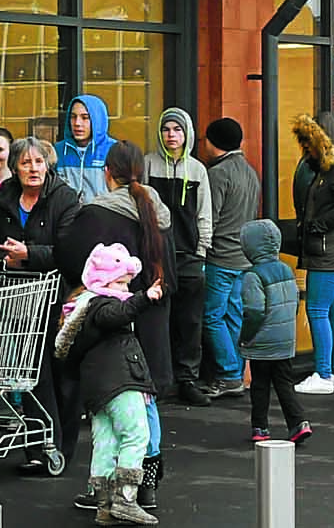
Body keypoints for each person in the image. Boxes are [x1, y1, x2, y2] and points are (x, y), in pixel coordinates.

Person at [56, 141, 174, 510]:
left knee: (107, 412)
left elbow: (69, 259)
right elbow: (172, 273)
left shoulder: (96, 213)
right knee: (145, 403)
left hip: (111, 327)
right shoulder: (159, 211)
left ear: (107, 173)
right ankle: (146, 486)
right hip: (152, 320)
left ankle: (103, 487)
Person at [0, 137, 82, 476]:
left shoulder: (64, 198)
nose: (32, 169)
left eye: (38, 162)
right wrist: (7, 261)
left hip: (56, 296)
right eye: (25, 163)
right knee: (30, 373)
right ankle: (38, 447)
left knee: (59, 372)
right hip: (15, 297)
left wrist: (30, 255)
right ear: (15, 168)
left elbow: (70, 250)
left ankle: (61, 446)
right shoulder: (4, 196)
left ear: (47, 166)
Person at [54, 243, 163, 526]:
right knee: (136, 434)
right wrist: (144, 297)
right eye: (121, 283)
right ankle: (126, 498)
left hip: (97, 387)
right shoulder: (103, 304)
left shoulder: (82, 308)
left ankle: (103, 502)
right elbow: (115, 314)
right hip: (120, 382)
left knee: (105, 441)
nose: (125, 290)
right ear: (103, 281)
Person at [145, 107, 215, 406]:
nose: (171, 135)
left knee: (189, 321)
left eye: (177, 130)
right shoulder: (148, 164)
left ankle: (187, 378)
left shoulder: (198, 170)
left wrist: (201, 250)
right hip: (157, 256)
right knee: (158, 320)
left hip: (188, 256)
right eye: (166, 129)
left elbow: (204, 213)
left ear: (187, 134)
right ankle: (159, 380)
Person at [291, 114, 334, 395]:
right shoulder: (330, 167)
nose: (306, 148)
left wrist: (315, 228)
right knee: (332, 311)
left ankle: (323, 373)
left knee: (318, 310)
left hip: (328, 250)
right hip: (332, 249)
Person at [235, 220, 312, 444]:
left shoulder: (253, 276)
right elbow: (295, 302)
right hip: (284, 340)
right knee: (284, 383)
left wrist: (245, 338)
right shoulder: (286, 269)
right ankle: (298, 422)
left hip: (261, 342)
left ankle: (260, 427)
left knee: (260, 385)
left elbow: (254, 311)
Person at [200, 118, 261, 399]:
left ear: (215, 143)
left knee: (212, 316)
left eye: (206, 139)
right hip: (243, 257)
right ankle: (236, 370)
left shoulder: (218, 174)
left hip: (221, 256)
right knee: (234, 315)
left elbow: (209, 217)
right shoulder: (250, 172)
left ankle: (228, 374)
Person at [56, 94, 117, 202]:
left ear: (97, 120)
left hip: (102, 216)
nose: (77, 123)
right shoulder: (58, 151)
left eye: (85, 118)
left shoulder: (114, 151)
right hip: (67, 217)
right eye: (73, 117)